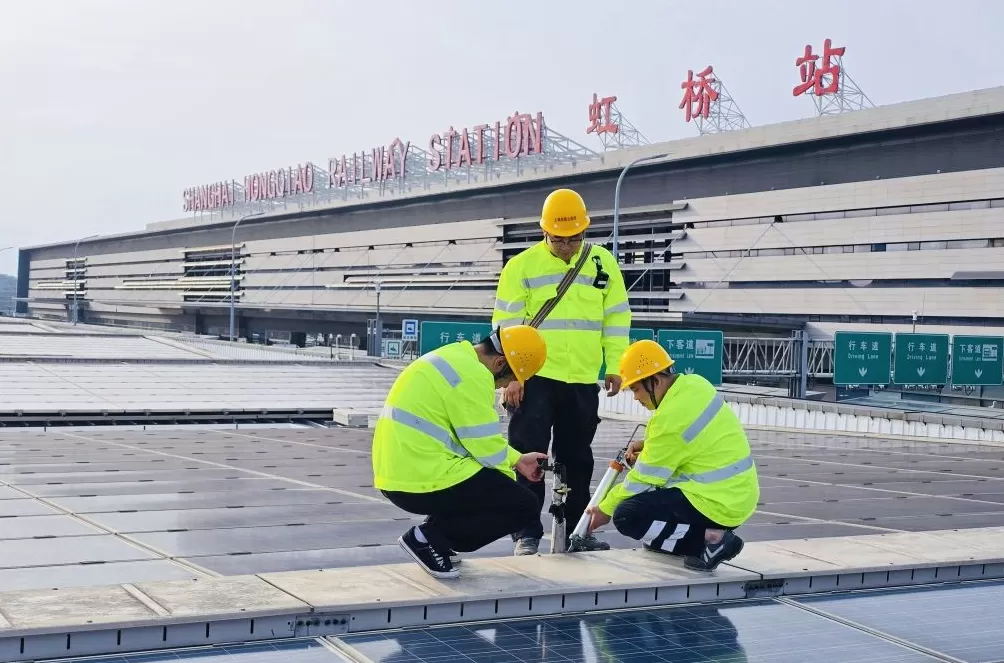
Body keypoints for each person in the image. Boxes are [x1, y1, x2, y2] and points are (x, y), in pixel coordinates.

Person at [492, 188, 632, 556]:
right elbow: (506, 328)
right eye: (559, 239)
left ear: (585, 232)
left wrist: (615, 365)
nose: (567, 246)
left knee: (577, 460)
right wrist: (512, 377)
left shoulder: (602, 264)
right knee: (527, 455)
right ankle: (525, 532)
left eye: (574, 239)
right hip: (534, 379)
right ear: (545, 232)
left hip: (582, 381)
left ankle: (575, 532)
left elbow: (616, 319)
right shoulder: (521, 267)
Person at [372, 324, 550, 579]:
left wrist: (518, 460)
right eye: (507, 381)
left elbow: (473, 440)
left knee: (487, 488)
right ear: (500, 363)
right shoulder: (472, 376)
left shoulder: (454, 357)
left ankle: (436, 539)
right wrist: (509, 486)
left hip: (404, 472)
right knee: (522, 505)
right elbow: (487, 450)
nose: (502, 387)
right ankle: (428, 539)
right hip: (420, 476)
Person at [584, 339, 760, 572]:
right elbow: (689, 441)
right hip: (737, 495)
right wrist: (650, 446)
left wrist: (605, 508)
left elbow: (642, 480)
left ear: (655, 381)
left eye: (636, 388)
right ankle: (682, 540)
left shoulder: (669, 420)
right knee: (655, 515)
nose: (635, 397)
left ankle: (712, 541)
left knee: (628, 515)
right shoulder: (695, 385)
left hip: (717, 504)